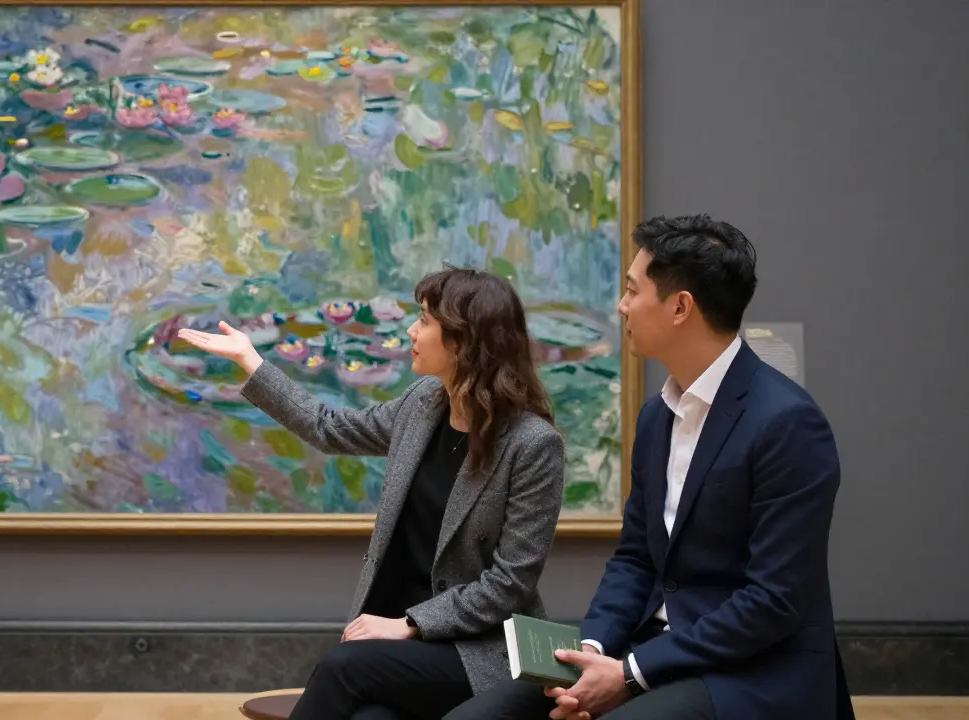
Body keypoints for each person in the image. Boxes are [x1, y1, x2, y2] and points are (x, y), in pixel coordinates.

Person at [444, 214, 854, 720]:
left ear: (680, 307)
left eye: (632, 291)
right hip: (644, 647)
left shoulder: (788, 422)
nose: (621, 307)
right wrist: (592, 652)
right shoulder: (657, 416)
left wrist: (631, 672)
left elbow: (773, 601)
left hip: (753, 670)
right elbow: (636, 558)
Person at [178, 267, 566, 720]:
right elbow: (329, 428)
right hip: (405, 643)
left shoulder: (533, 445)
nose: (410, 330)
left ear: (463, 340)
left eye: (423, 320)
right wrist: (251, 361)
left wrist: (409, 624)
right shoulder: (423, 404)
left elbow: (509, 585)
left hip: (479, 649)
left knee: (342, 667)